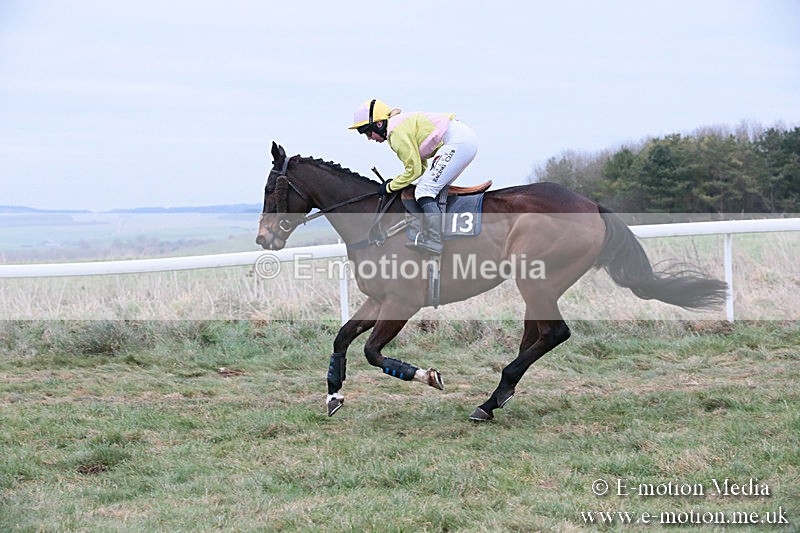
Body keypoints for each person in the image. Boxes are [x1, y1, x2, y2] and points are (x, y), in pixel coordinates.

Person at [349, 98, 478, 255]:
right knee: (431, 188)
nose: (369, 138)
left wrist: (390, 186)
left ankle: (435, 241)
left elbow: (414, 170)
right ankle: (442, 233)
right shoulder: (397, 126)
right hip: (462, 140)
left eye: (367, 132)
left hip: (458, 142)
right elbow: (421, 167)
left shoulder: (395, 133)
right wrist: (397, 183)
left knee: (424, 191)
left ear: (379, 124)